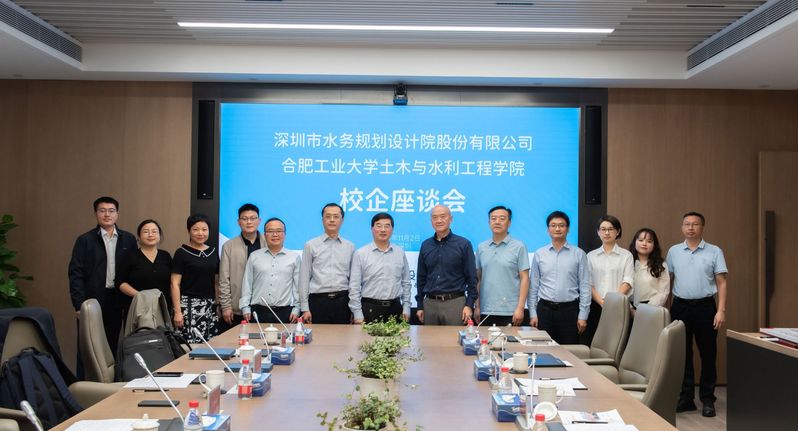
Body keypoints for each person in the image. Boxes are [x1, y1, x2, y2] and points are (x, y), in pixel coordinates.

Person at [667, 211, 728, 418]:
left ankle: (708, 399)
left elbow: (722, 282)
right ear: (682, 227)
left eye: (695, 224)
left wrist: (721, 310)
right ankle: (686, 398)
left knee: (708, 353)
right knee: (683, 354)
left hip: (705, 307)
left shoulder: (714, 251)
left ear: (702, 227)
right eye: (687, 224)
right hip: (680, 307)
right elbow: (669, 281)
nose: (690, 227)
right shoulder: (674, 251)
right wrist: (667, 309)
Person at [68, 196, 136, 358]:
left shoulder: (128, 239)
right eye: (102, 211)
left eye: (111, 211)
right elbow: (75, 274)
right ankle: (86, 375)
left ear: (117, 214)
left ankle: (111, 375)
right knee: (88, 346)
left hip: (118, 299)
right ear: (96, 214)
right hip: (92, 299)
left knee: (113, 344)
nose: (107, 215)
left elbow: (134, 270)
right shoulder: (85, 240)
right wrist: (79, 305)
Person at [528, 210, 591, 345]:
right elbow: (533, 286)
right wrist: (533, 313)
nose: (557, 229)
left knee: (569, 350)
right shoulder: (540, 254)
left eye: (561, 225)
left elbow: (585, 286)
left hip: (569, 311)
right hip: (544, 310)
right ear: (548, 229)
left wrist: (583, 315)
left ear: (568, 229)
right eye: (553, 225)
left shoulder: (579, 254)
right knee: (543, 350)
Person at [415, 205, 478, 326]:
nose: (439, 220)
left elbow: (472, 278)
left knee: (454, 338)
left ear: (451, 219)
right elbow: (421, 278)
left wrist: (469, 305)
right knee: (429, 338)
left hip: (455, 304)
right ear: (431, 220)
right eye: (435, 217)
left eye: (443, 216)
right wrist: (420, 305)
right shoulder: (426, 245)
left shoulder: (463, 244)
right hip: (430, 304)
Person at [349, 213, 412, 324]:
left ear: (392, 229)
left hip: (395, 308)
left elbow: (406, 282)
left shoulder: (399, 252)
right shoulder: (361, 253)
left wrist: (406, 307)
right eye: (378, 226)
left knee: (397, 336)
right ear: (372, 229)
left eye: (387, 226)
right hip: (370, 308)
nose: (383, 230)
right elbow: (354, 286)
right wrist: (357, 313)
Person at [298, 203, 355, 324]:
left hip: (342, 301)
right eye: (328, 216)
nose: (332, 220)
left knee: (343, 336)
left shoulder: (350, 246)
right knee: (317, 336)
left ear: (342, 220)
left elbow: (353, 280)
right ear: (322, 220)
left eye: (336, 216)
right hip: (317, 301)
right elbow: (304, 278)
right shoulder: (310, 245)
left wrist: (354, 309)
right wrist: (305, 308)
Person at [475, 206, 530, 327]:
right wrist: (477, 306)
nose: (497, 222)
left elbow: (525, 278)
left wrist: (521, 307)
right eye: (493, 218)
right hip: (485, 310)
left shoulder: (519, 246)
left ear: (509, 223)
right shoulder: (481, 247)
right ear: (489, 222)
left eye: (502, 218)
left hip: (511, 311)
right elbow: (478, 279)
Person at [240, 218, 300, 324]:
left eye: (279, 231)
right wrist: (245, 307)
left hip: (284, 312)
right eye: (270, 231)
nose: (275, 234)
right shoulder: (254, 256)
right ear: (265, 235)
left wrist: (297, 308)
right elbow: (247, 283)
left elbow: (298, 287)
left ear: (285, 234)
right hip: (258, 311)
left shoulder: (294, 257)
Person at [584, 215, 634, 345]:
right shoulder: (590, 256)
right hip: (596, 306)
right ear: (598, 232)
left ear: (618, 231)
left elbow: (628, 281)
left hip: (619, 306)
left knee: (617, 344)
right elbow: (588, 283)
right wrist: (602, 302)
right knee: (594, 342)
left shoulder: (626, 255)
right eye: (603, 229)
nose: (607, 232)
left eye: (611, 229)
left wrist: (612, 301)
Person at [171, 214, 220, 343]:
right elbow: (174, 284)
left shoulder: (213, 252)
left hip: (210, 305)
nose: (200, 233)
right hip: (189, 306)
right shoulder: (181, 253)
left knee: (211, 344)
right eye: (196, 229)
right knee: (191, 345)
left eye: (204, 229)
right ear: (189, 231)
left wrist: (218, 305)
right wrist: (177, 312)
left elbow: (216, 282)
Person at [219, 203, 265, 330]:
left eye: (253, 218)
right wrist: (226, 306)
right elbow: (224, 279)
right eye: (244, 219)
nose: (249, 222)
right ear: (238, 222)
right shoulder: (229, 246)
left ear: (259, 221)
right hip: (237, 307)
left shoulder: (267, 243)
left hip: (263, 306)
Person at [117, 219, 173, 318]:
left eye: (154, 232)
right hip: (137, 308)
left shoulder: (166, 256)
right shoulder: (130, 256)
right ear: (139, 237)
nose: (150, 235)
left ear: (159, 236)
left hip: (163, 308)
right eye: (146, 232)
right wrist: (141, 296)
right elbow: (120, 282)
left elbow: (173, 282)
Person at [628, 228, 669, 308]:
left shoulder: (661, 265)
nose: (644, 244)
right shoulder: (627, 262)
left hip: (652, 308)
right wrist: (630, 309)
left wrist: (646, 309)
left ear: (654, 245)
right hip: (627, 307)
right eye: (641, 240)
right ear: (634, 242)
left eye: (649, 241)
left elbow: (663, 292)